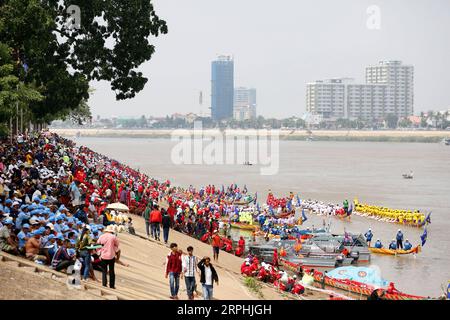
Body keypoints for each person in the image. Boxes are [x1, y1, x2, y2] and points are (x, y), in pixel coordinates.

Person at [96, 225, 120, 289]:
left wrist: (99, 253)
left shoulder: (101, 236)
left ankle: (104, 284)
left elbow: (97, 245)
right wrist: (114, 250)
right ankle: (112, 285)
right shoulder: (114, 237)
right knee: (112, 271)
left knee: (104, 270)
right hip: (111, 256)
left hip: (103, 255)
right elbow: (117, 245)